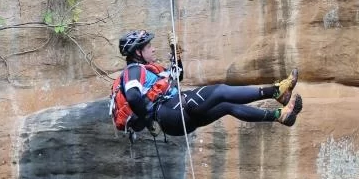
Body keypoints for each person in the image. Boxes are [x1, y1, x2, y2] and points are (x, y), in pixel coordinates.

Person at [113, 30, 302, 137]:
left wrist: (175, 55)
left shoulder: (150, 70)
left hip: (174, 120)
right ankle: (276, 91)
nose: (153, 49)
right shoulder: (133, 70)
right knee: (220, 91)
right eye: (148, 47)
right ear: (138, 52)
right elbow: (132, 96)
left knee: (227, 106)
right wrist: (147, 119)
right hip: (173, 111)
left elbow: (176, 77)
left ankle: (279, 115)